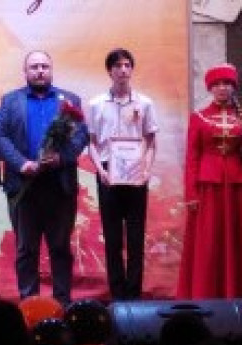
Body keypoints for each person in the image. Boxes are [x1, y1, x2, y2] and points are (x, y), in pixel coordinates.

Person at [0, 50, 89, 306]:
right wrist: (21, 163)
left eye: (44, 66)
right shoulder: (11, 101)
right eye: (34, 67)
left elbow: (81, 136)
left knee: (60, 248)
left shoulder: (69, 100)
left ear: (51, 70)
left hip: (60, 186)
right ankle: (29, 304)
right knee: (26, 250)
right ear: (25, 72)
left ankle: (63, 304)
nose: (40, 71)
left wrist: (61, 158)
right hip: (24, 187)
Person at [177, 63, 242, 304]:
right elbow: (192, 158)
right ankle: (205, 294)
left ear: (233, 87)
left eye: (227, 84)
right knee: (209, 241)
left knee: (236, 242)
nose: (222, 88)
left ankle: (238, 295)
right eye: (218, 84)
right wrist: (191, 194)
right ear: (210, 88)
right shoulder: (198, 118)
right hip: (208, 188)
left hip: (236, 188)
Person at [87, 48, 158, 301]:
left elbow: (151, 141)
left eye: (127, 65)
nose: (123, 70)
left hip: (136, 173)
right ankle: (118, 296)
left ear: (132, 69)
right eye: (117, 66)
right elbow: (91, 143)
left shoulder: (145, 103)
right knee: (113, 238)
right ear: (110, 71)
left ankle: (134, 295)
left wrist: (146, 170)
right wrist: (100, 170)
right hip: (109, 172)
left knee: (136, 238)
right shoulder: (96, 104)